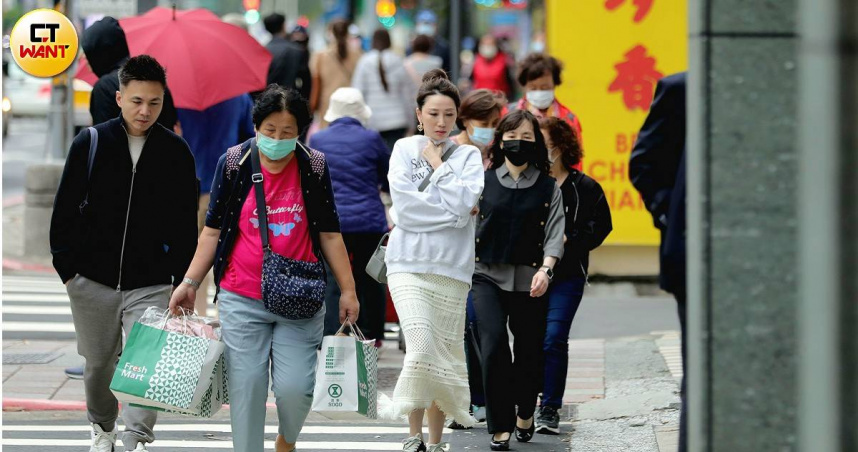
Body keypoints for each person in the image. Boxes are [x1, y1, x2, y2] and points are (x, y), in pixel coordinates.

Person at [169, 84, 360, 452]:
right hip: (241, 296)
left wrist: (348, 290)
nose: (277, 140)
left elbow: (330, 234)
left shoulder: (313, 165)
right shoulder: (234, 162)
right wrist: (190, 281)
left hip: (300, 297)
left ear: (300, 132)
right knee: (247, 389)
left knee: (295, 389)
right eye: (270, 130)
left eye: (287, 132)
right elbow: (212, 232)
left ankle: (287, 439)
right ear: (256, 127)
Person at [50, 55, 198, 452]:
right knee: (99, 363)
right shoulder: (91, 142)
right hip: (91, 280)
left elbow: (185, 222)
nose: (145, 110)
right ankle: (103, 427)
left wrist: (180, 278)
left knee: (145, 361)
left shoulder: (176, 152)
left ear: (163, 101)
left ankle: (136, 437)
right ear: (119, 98)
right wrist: (69, 271)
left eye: (154, 102)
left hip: (151, 281)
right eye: (136, 101)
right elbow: (64, 210)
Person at [382, 68, 485, 452]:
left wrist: (439, 168)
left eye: (449, 114)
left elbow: (466, 202)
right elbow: (406, 211)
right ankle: (413, 433)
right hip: (407, 264)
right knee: (422, 346)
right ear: (418, 114)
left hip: (452, 269)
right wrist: (453, 213)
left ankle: (436, 440)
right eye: (433, 113)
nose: (441, 122)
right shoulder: (403, 149)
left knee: (442, 352)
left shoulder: (469, 155)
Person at [472, 109, 565, 451]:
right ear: (500, 141)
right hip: (486, 277)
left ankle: (525, 410)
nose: (518, 143)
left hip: (531, 281)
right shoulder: (482, 182)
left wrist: (546, 270)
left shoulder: (548, 187)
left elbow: (555, 234)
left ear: (536, 143)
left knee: (528, 352)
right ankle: (500, 425)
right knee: (494, 345)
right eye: (512, 137)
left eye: (526, 137)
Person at [534, 117, 612, 435]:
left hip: (567, 275)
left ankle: (550, 407)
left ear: (562, 146)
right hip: (527, 273)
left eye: (546, 145)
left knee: (554, 337)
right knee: (531, 339)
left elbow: (601, 226)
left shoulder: (585, 187)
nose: (541, 151)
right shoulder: (528, 183)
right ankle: (528, 400)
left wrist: (570, 239)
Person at [629, 72, 687, 452]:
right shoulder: (681, 89)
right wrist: (671, 215)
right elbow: (643, 163)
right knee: (700, 370)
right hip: (693, 255)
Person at [308, 87, 390, 343]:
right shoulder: (372, 138)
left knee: (333, 279)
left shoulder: (318, 140)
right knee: (370, 278)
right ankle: (372, 335)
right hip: (368, 221)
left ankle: (333, 335)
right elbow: (386, 176)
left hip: (331, 223)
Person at [447, 88, 506, 430]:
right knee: (460, 328)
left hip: (487, 255)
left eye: (495, 123)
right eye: (485, 122)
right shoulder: (450, 151)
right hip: (453, 252)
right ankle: (467, 399)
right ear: (466, 120)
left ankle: (478, 399)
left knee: (478, 326)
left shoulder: (498, 157)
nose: (490, 129)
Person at [176, 93, 255, 316]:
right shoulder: (238, 97)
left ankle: (195, 314)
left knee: (193, 255)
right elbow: (251, 139)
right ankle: (223, 315)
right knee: (229, 251)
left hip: (190, 183)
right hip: (231, 186)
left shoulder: (180, 96)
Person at [81, 16, 178, 131]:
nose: (85, 58)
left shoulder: (105, 88)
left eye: (89, 53)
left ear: (100, 53)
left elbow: (104, 138)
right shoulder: (155, 78)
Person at [511, 53, 583, 170]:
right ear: (524, 86)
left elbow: (576, 162)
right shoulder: (510, 116)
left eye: (545, 87)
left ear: (555, 84)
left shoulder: (568, 119)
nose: (539, 92)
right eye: (533, 88)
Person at [352, 29, 416, 152]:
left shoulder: (364, 62)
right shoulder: (398, 61)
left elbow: (357, 94)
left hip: (373, 121)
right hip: (398, 121)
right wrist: (411, 122)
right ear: (389, 41)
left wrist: (359, 122)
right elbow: (408, 95)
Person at [309, 19, 362, 130]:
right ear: (348, 33)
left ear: (330, 33)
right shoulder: (358, 54)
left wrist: (313, 107)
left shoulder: (320, 56)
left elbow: (316, 86)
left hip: (328, 107)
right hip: (351, 105)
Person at [264, 13, 312, 102]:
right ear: (283, 26)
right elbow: (306, 82)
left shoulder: (263, 51)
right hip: (291, 101)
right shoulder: (297, 51)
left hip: (268, 101)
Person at [470, 34, 515, 100]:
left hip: (499, 100)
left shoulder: (505, 61)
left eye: (490, 44)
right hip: (480, 100)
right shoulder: (475, 60)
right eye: (485, 44)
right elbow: (471, 80)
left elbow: (511, 83)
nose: (487, 47)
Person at [413, 9, 451, 74]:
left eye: (429, 23)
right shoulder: (411, 47)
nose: (425, 26)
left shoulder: (443, 48)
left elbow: (448, 71)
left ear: (435, 26)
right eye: (423, 23)